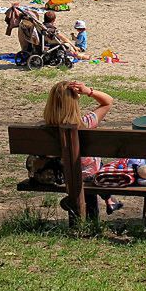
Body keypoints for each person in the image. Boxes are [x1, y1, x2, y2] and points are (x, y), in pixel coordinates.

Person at [42, 80, 121, 217]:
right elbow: (108, 101)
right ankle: (97, 214)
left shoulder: (46, 129)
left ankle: (85, 213)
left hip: (64, 174)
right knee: (93, 166)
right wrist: (89, 91)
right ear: (74, 103)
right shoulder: (86, 123)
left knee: (85, 167)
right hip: (88, 174)